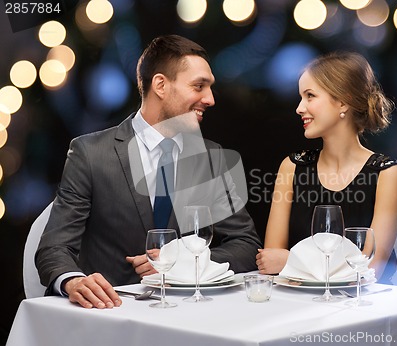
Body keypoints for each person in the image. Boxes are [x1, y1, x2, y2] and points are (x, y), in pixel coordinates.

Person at [35, 34, 262, 309]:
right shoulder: (90, 153)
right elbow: (54, 247)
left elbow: (246, 244)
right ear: (161, 85)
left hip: (194, 315)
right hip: (110, 314)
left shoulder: (211, 157)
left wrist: (188, 264)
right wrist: (72, 281)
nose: (210, 99)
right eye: (199, 86)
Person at [256, 51, 397, 283]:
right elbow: (270, 262)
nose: (299, 108)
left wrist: (292, 261)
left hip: (361, 310)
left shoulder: (387, 173)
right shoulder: (292, 167)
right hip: (297, 304)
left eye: (310, 96)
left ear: (342, 101)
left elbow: (370, 270)